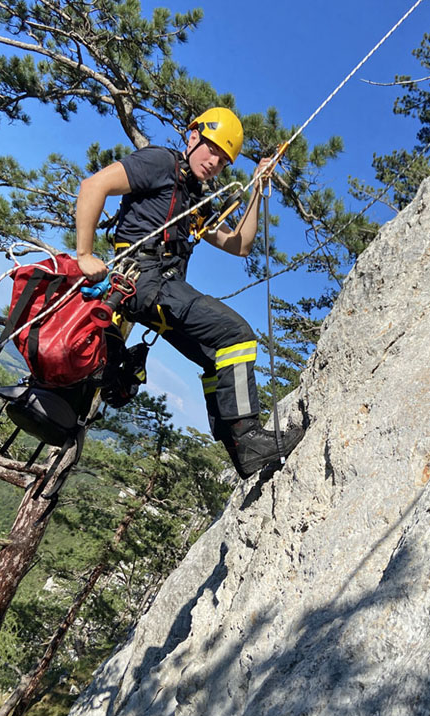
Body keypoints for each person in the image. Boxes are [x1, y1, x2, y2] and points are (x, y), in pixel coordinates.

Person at [75, 107, 303, 478]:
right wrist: (84, 254)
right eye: (212, 149)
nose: (216, 162)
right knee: (236, 333)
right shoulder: (160, 163)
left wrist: (258, 189)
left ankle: (238, 445)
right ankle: (249, 438)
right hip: (144, 280)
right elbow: (94, 185)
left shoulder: (196, 199)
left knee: (217, 354)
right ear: (193, 135)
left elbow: (240, 245)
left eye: (224, 160)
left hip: (158, 289)